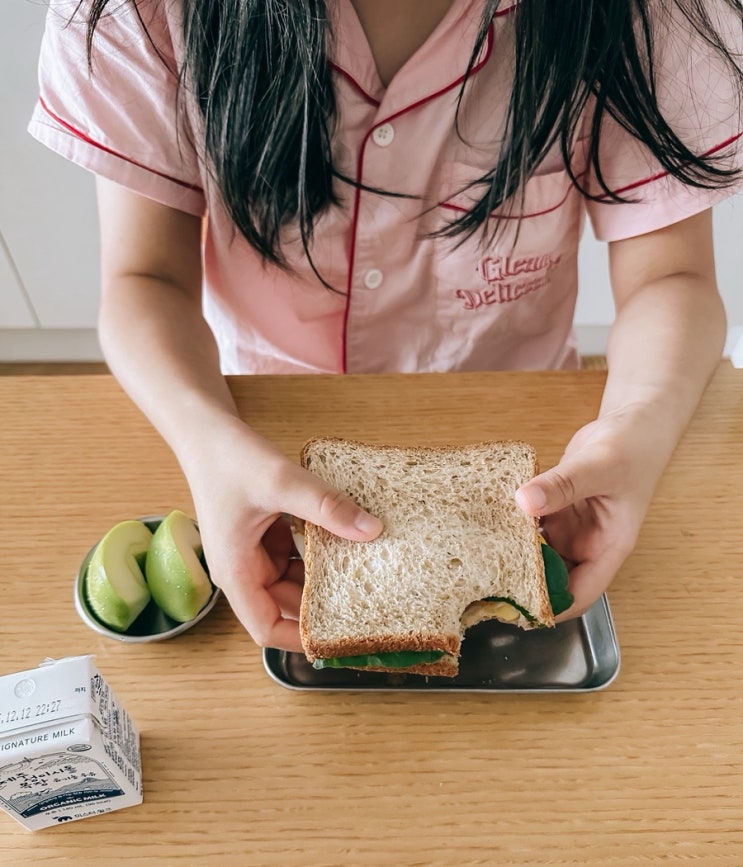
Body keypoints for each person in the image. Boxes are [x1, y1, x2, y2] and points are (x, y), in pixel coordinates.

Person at [30, 0, 743, 652]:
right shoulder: (134, 12)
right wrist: (206, 442)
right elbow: (146, 281)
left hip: (538, 438)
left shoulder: (656, 13)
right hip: (251, 430)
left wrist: (640, 424)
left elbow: (671, 278)